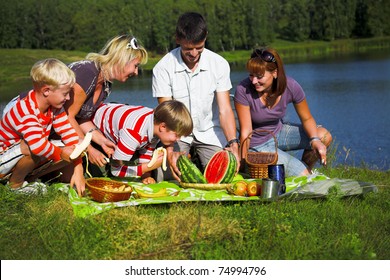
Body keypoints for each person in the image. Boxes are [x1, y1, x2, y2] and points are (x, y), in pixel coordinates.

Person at [3, 35, 148, 176]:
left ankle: (31, 176)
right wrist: (89, 149)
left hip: (54, 123)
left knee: (67, 165)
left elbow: (81, 118)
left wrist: (102, 141)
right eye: (135, 66)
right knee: (44, 151)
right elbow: (67, 115)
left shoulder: (106, 85)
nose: (136, 72)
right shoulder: (87, 73)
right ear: (122, 60)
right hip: (30, 117)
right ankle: (16, 179)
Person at [152, 12, 240, 181]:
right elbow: (167, 116)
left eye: (199, 48)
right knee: (167, 175)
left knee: (223, 174)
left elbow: (225, 110)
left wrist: (233, 144)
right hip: (177, 133)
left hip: (210, 131)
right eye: (188, 49)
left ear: (205, 37)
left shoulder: (219, 64)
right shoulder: (162, 68)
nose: (194, 54)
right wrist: (170, 151)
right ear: (177, 39)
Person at [234, 47, 332, 176]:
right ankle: (303, 173)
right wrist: (242, 162)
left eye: (259, 76)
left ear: (274, 73)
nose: (254, 81)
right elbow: (246, 132)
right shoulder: (243, 89)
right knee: (303, 175)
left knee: (324, 136)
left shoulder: (290, 86)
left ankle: (304, 170)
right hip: (257, 144)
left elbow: (307, 118)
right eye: (251, 75)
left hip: (279, 132)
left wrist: (315, 140)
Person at [0, 58, 85, 195]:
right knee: (33, 147)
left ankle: (28, 179)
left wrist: (78, 166)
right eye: (65, 93)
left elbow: (68, 133)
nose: (68, 98)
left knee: (72, 146)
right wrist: (62, 153)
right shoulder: (26, 110)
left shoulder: (55, 108)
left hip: (16, 160)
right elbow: (37, 146)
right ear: (46, 91)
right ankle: (15, 186)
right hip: (3, 159)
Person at [88, 100, 193, 184]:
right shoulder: (133, 133)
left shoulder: (155, 123)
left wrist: (146, 175)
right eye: (176, 135)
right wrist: (150, 166)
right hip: (93, 126)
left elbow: (146, 149)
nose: (178, 139)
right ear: (163, 127)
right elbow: (116, 171)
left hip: (112, 114)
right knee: (104, 173)